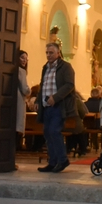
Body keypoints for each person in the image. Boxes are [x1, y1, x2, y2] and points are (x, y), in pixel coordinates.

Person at [35, 42, 77, 173]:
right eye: (47, 52)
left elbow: (69, 85)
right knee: (47, 133)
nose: (48, 55)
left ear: (58, 53)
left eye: (51, 52)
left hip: (59, 106)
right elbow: (42, 85)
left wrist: (56, 97)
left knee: (54, 131)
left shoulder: (65, 67)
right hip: (46, 106)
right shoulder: (45, 68)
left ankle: (62, 160)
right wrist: (37, 100)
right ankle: (52, 162)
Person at [15, 50, 31, 152]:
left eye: (26, 58)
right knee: (18, 126)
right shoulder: (21, 71)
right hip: (19, 100)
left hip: (15, 99)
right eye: (22, 58)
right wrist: (30, 91)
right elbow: (25, 89)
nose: (24, 60)